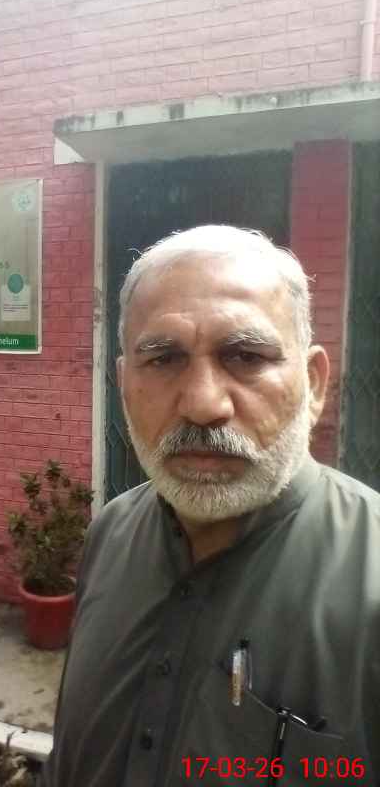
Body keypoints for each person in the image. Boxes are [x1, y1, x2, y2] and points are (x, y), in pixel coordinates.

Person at [41, 225, 380, 787]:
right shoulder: (111, 533)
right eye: (163, 358)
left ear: (314, 384)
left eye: (246, 355)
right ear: (123, 385)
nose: (202, 404)